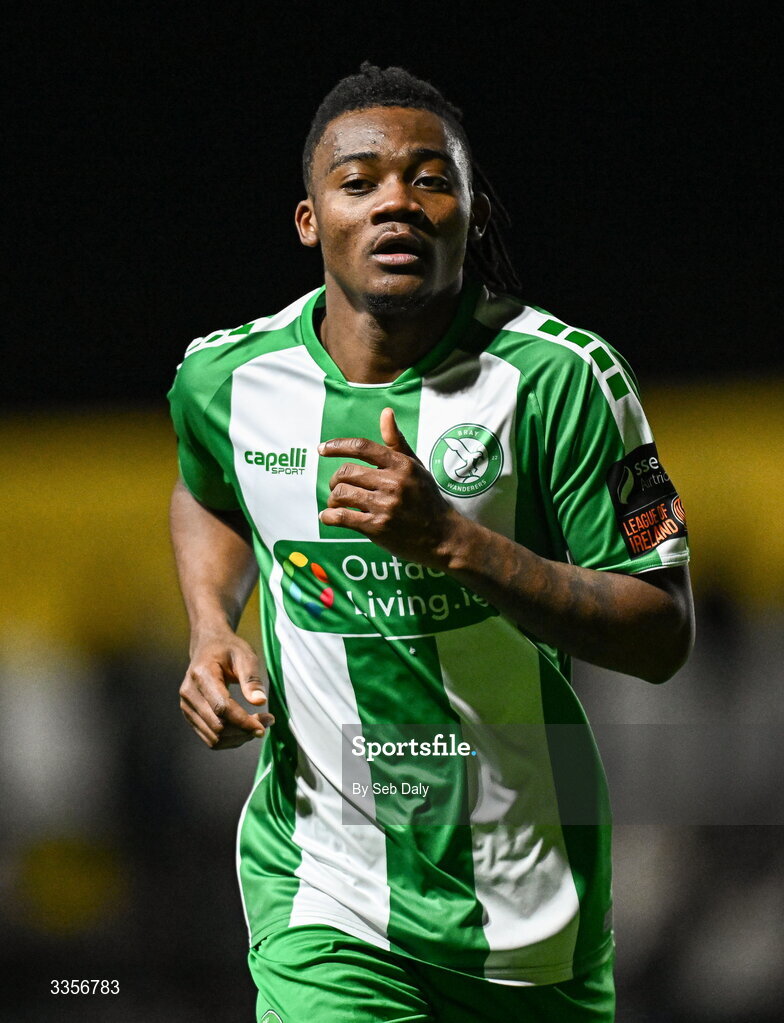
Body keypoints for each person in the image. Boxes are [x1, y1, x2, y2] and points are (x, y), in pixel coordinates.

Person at [168, 62, 694, 1023]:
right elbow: (208, 485)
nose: (395, 203)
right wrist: (211, 622)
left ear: (475, 215)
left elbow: (663, 630)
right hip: (321, 891)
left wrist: (457, 542)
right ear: (310, 219)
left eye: (430, 178)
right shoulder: (227, 376)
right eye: (358, 181)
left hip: (531, 902)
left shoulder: (564, 380)